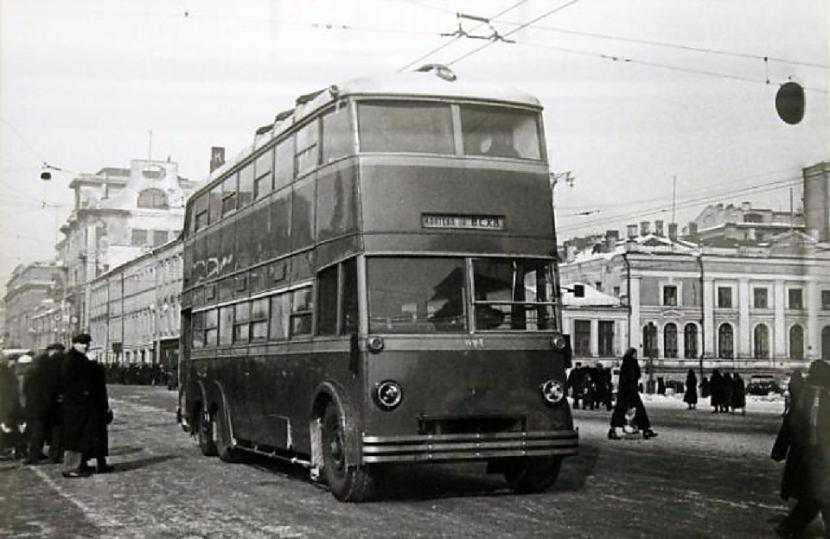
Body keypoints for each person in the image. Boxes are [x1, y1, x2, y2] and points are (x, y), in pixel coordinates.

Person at [771, 360, 830, 538]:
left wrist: (780, 450)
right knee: (819, 495)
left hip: (806, 456)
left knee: (818, 495)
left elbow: (789, 425)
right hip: (820, 456)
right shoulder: (821, 397)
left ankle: (789, 526)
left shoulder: (804, 396)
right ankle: (789, 526)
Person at [61, 334, 113, 477]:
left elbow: (95, 380)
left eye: (87, 343)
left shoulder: (82, 360)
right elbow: (68, 383)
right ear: (75, 344)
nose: (86, 346)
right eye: (82, 343)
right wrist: (83, 394)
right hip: (77, 407)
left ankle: (82, 464)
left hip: (88, 407)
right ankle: (70, 467)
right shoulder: (71, 360)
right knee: (75, 437)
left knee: (86, 436)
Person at [23, 343, 65, 464]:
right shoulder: (56, 364)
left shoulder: (35, 365)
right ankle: (54, 455)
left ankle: (33, 455)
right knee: (56, 430)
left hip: (36, 403)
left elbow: (26, 387)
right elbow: (57, 383)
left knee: (38, 430)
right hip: (51, 402)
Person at [608, 348, 657, 440]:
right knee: (639, 411)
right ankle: (646, 429)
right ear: (632, 354)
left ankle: (613, 430)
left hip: (625, 392)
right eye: (635, 354)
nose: (636, 356)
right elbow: (631, 378)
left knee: (620, 411)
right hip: (630, 392)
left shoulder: (626, 363)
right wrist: (633, 389)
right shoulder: (632, 363)